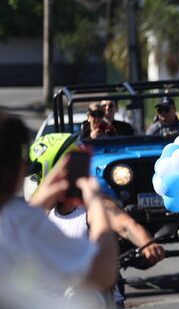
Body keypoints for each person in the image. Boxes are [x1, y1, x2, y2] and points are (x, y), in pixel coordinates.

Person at [0, 112, 119, 292]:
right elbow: (102, 272)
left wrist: (40, 200)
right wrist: (96, 203)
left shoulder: (20, 219)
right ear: (17, 167)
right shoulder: (18, 219)